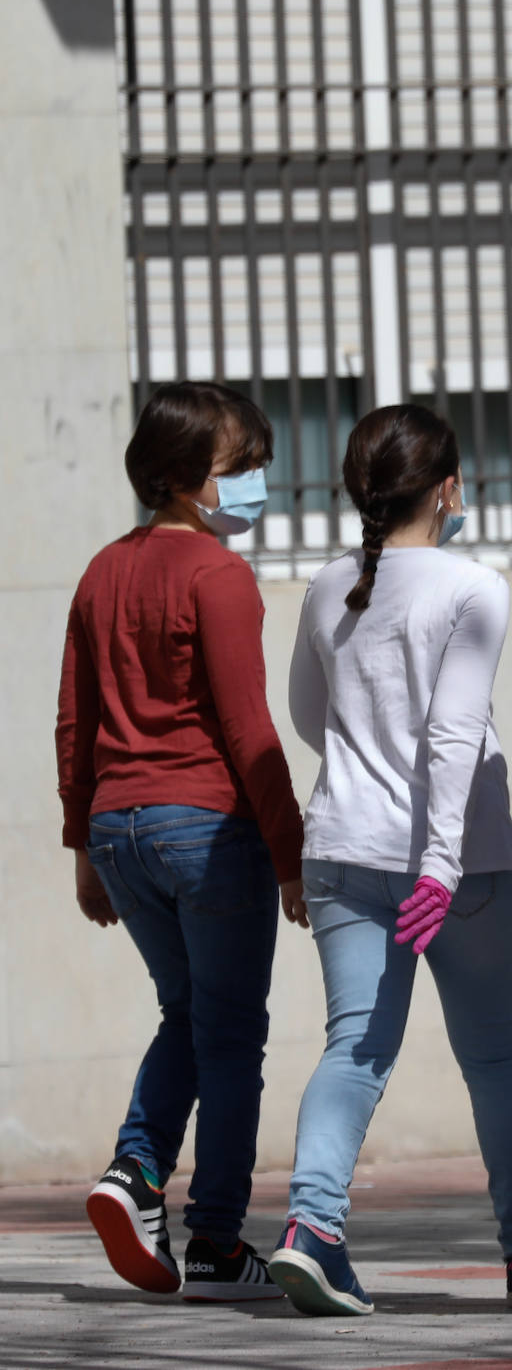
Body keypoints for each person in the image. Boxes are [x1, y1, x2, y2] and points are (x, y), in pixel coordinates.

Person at [266, 403, 512, 1316]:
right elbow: (457, 733)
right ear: (448, 486)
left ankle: (312, 1230)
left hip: (342, 846)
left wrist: (367, 762)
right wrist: (441, 864)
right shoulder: (473, 587)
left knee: (354, 1049)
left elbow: (307, 715)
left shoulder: (327, 583)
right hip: (456, 869)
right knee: (496, 1057)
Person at [55, 381, 306, 1303]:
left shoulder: (100, 570)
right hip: (207, 830)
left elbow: (74, 718)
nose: (256, 482)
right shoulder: (218, 575)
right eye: (239, 467)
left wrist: (84, 845)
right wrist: (290, 851)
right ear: (183, 475)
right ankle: (214, 1244)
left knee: (188, 1017)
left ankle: (133, 1175)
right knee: (233, 1034)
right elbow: (249, 728)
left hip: (122, 833)